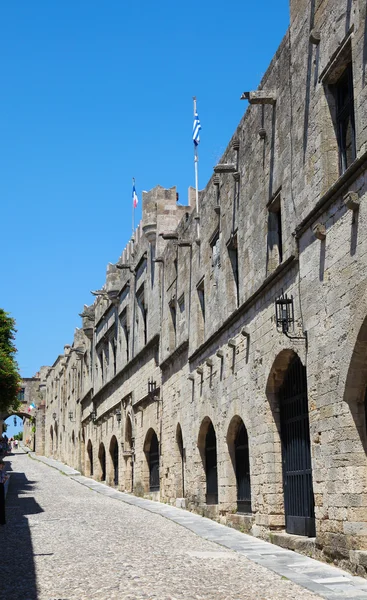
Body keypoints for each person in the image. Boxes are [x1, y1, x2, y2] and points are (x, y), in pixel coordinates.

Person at [0, 460, 9, 525]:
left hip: (1, 487)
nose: (2, 466)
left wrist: (4, 481)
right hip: (1, 486)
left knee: (1, 504)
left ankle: (2, 520)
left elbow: (5, 478)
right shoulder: (2, 471)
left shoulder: (2, 471)